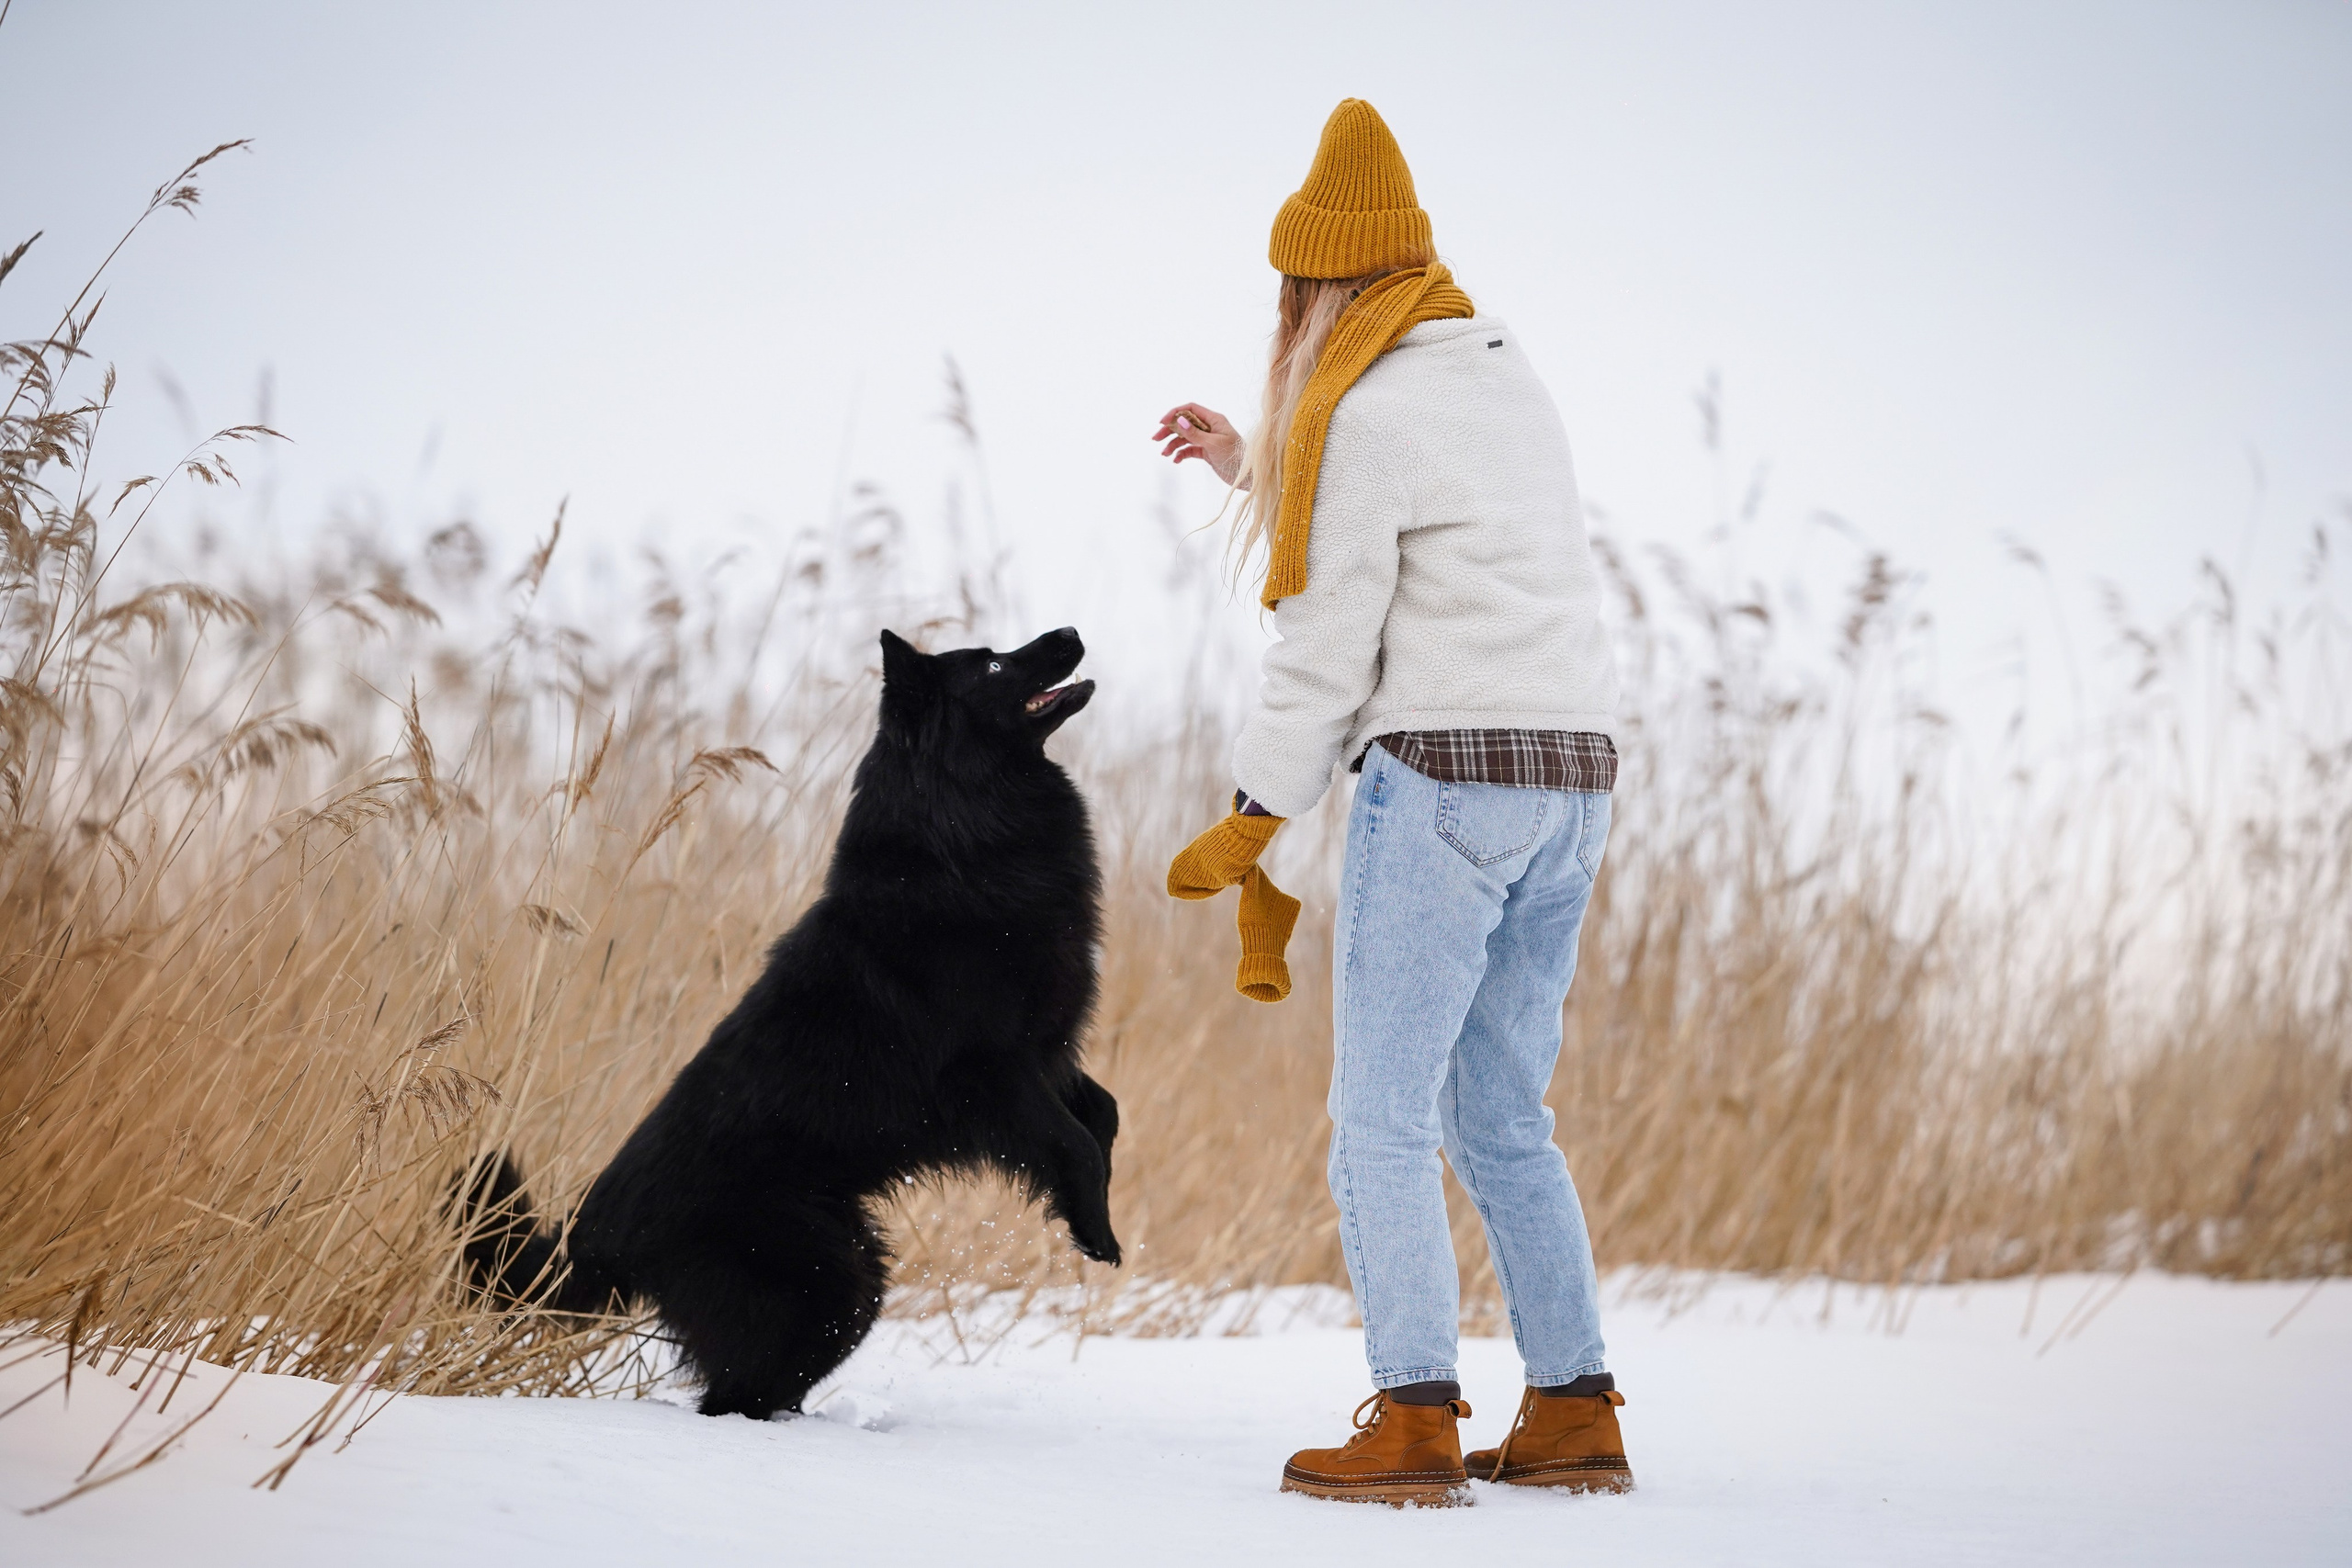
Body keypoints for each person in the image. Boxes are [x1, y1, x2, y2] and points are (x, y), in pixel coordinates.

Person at [1156, 99, 1632, 1508]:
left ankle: (1415, 1418)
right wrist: (1260, 463)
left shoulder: (1359, 416)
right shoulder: (1499, 370)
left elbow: (1324, 638)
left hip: (1446, 784)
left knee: (1380, 1114)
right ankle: (1575, 1410)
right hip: (1573, 781)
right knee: (1503, 1112)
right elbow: (1429, 514)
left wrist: (1258, 806)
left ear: (1316, 287)